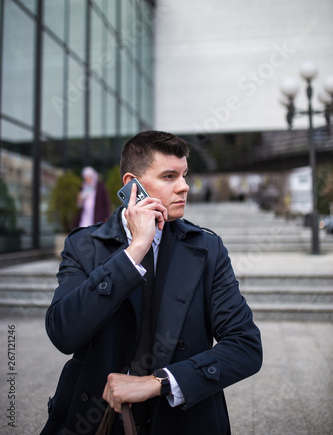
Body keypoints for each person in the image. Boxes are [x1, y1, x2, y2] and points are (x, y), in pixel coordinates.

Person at [41, 131, 262, 435]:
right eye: (170, 176)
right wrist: (134, 253)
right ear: (133, 184)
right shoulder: (84, 246)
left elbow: (245, 346)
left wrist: (159, 383)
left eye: (184, 174)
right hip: (95, 418)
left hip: (183, 420)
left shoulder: (208, 249)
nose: (184, 186)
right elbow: (63, 333)